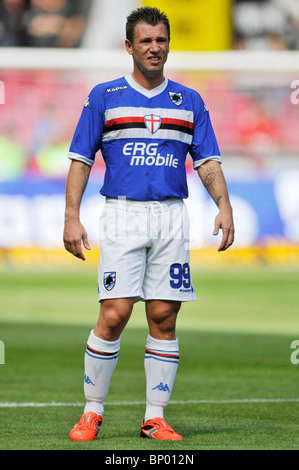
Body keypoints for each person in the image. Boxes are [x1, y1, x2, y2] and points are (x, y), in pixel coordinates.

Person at [63, 6, 234, 442]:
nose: (154, 48)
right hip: (122, 214)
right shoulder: (103, 96)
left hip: (173, 217)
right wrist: (71, 216)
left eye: (160, 40)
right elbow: (81, 160)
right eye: (145, 41)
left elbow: (207, 159)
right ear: (129, 46)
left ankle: (154, 416)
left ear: (168, 44)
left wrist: (224, 205)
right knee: (115, 313)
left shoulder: (190, 100)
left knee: (163, 315)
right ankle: (91, 412)